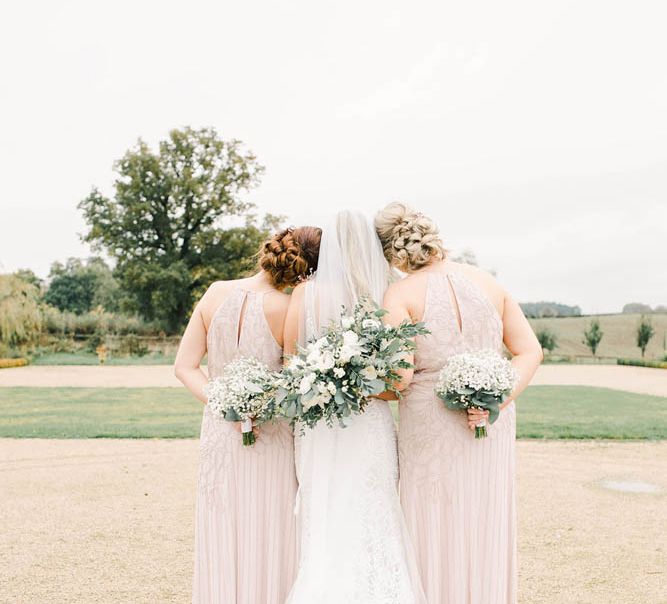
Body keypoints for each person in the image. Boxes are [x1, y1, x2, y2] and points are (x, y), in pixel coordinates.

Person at [375, 202, 543, 604]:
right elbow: (529, 351)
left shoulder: (398, 294)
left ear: (391, 253)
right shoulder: (489, 283)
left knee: (433, 518)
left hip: (429, 424)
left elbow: (399, 377)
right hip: (490, 422)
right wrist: (495, 398)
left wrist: (366, 387)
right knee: (485, 514)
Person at [283, 210, 426, 604]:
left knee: (324, 509)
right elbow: (397, 379)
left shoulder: (304, 294)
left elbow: (288, 362)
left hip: (317, 422)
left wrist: (323, 381)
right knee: (372, 507)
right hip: (369, 421)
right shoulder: (383, 295)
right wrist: (361, 385)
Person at [174, 226, 321, 604]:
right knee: (268, 526)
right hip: (270, 432)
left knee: (221, 524)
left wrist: (224, 401)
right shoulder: (289, 309)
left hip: (220, 430)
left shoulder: (214, 292)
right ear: (306, 271)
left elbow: (185, 367)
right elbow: (293, 380)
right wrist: (258, 405)